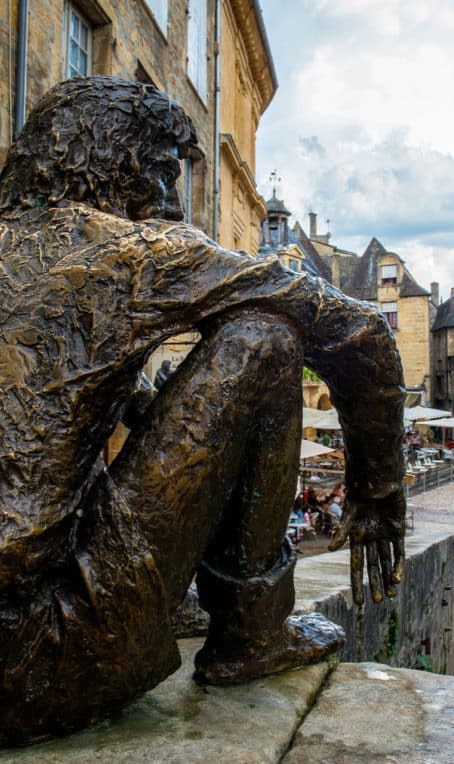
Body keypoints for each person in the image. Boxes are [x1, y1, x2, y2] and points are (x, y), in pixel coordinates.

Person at [0, 77, 406, 744]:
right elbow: (362, 332)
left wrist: (160, 413)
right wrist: (379, 496)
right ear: (133, 167)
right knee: (265, 339)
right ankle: (252, 631)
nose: (169, 203)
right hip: (33, 666)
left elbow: (47, 415)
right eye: (167, 175)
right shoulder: (127, 251)